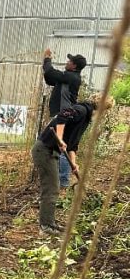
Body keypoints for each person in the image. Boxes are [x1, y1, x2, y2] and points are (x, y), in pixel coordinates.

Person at [31, 93, 112, 234]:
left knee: (53, 188)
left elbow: (73, 145)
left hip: (51, 152)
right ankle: (46, 226)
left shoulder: (85, 119)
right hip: (44, 150)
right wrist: (60, 139)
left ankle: (50, 223)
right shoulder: (81, 110)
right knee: (52, 188)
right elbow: (62, 116)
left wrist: (74, 164)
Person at [42, 49, 86, 189]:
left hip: (63, 116)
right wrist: (47, 69)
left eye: (69, 61)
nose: (67, 62)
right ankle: (60, 180)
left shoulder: (71, 77)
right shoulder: (68, 77)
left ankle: (64, 182)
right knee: (59, 147)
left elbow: (50, 72)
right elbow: (50, 78)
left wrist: (47, 58)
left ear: (74, 66)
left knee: (63, 147)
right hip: (61, 115)